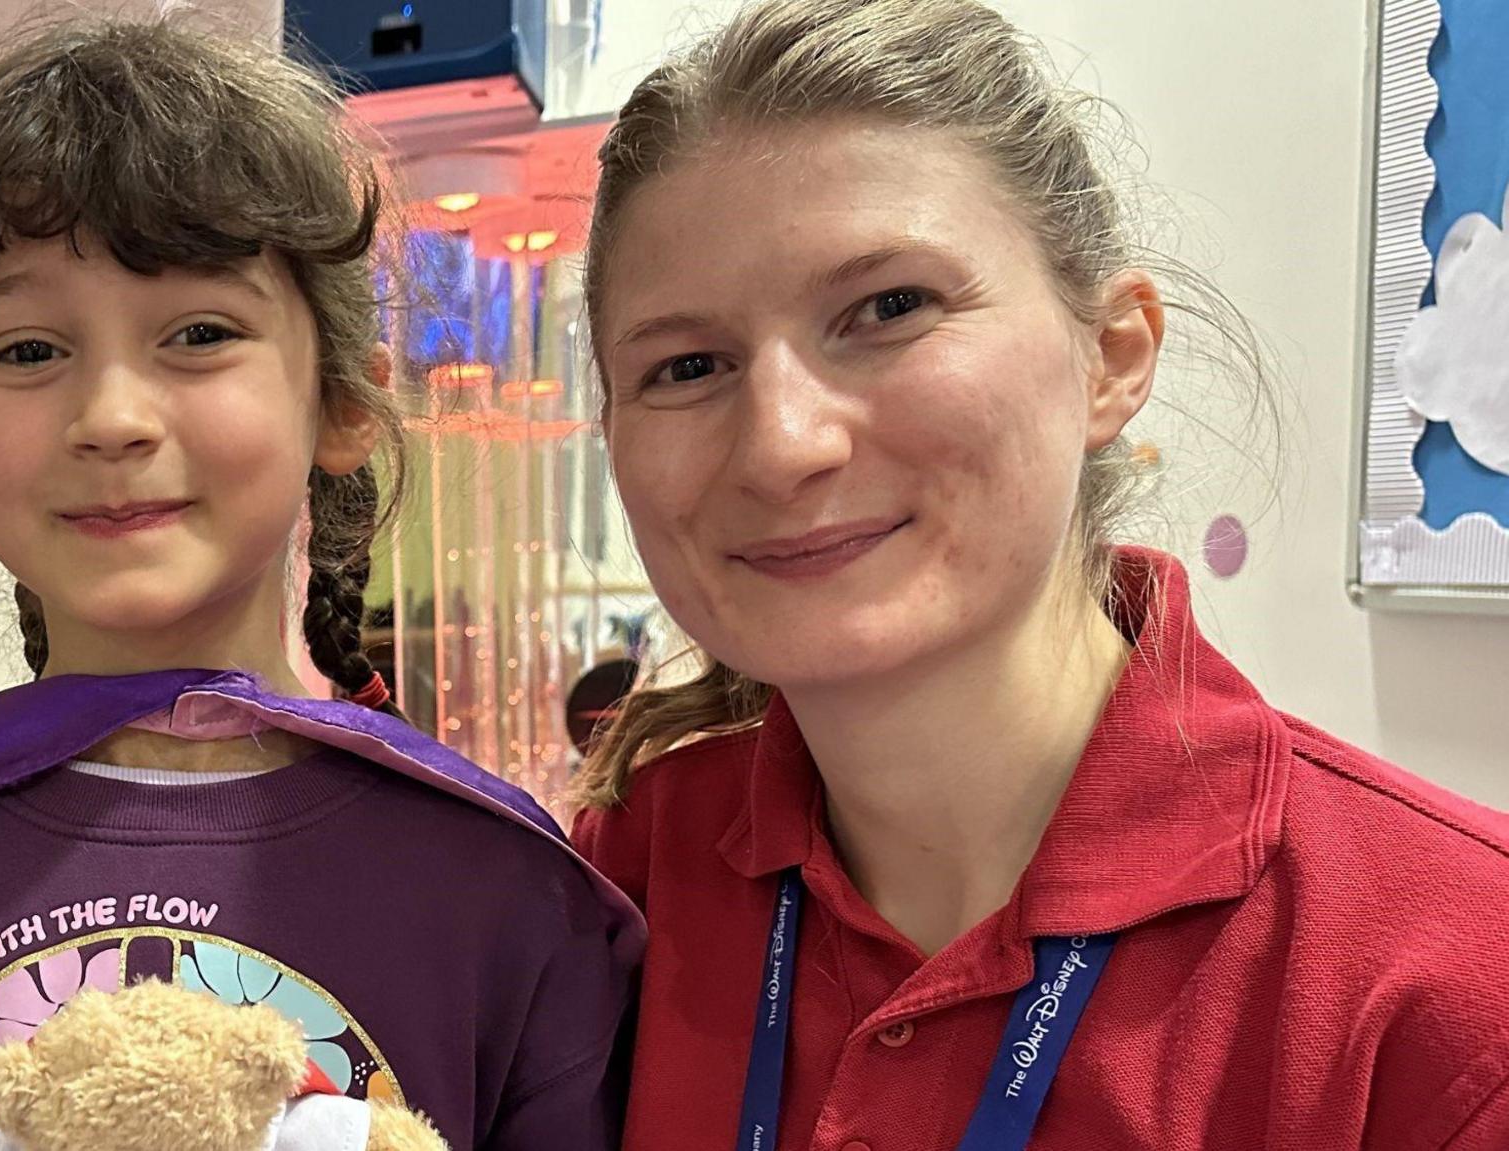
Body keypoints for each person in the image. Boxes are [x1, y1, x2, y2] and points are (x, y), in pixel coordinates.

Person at [0, 16, 638, 1151]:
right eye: (25, 350)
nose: (109, 416)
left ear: (347, 401)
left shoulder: (499, 890)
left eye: (199, 332)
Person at [568, 1, 1509, 1148]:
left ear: (1109, 355)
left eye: (886, 307)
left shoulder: (1450, 981)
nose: (781, 443)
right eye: (687, 364)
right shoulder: (617, 877)